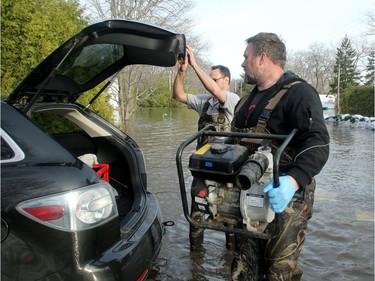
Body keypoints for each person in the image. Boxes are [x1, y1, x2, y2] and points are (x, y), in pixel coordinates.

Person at [230, 33, 330, 280]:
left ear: (262, 58)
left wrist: (293, 181)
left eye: (246, 57)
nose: (242, 63)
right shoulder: (244, 102)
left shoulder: (300, 94)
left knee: (279, 271)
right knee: (243, 266)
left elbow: (318, 142)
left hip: (285, 198)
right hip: (246, 193)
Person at [173, 45, 240, 250]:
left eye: (214, 78)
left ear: (226, 81)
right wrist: (181, 72)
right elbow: (179, 95)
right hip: (203, 165)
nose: (210, 82)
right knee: (197, 211)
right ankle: (196, 254)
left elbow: (216, 91)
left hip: (226, 167)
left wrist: (195, 64)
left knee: (230, 215)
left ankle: (230, 250)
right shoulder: (204, 102)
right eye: (210, 78)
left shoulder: (231, 99)